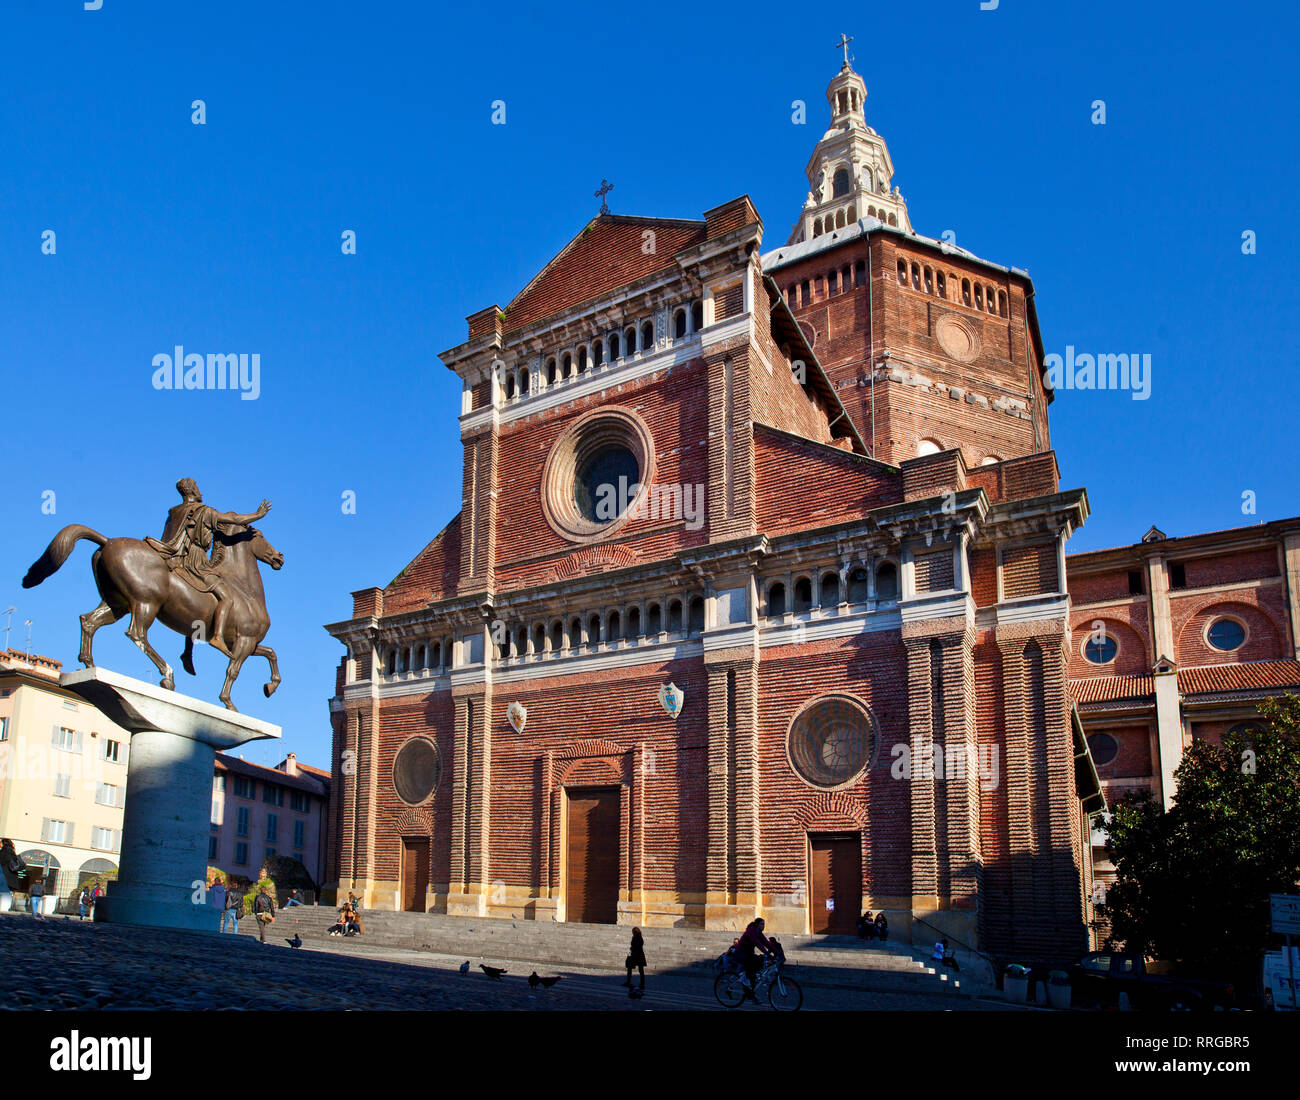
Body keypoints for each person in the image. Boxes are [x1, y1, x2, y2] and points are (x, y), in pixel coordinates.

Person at [144, 478, 271, 658]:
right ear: (192, 491)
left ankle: (188, 651)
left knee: (196, 603)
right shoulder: (203, 511)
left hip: (174, 559)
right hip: (195, 562)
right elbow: (234, 519)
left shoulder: (173, 513)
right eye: (197, 487)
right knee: (226, 598)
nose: (200, 491)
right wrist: (258, 515)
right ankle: (218, 636)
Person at [735, 917, 775, 995]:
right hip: (741, 953)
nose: (763, 926)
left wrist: (778, 952)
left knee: (758, 965)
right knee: (753, 963)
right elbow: (757, 943)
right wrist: (767, 953)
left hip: (748, 953)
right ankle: (744, 978)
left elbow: (766, 943)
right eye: (762, 924)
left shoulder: (758, 932)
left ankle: (751, 993)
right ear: (757, 924)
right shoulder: (751, 930)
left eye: (764, 924)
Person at [0, 838, 26, 907]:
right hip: (10, 880)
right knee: (6, 898)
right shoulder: (13, 853)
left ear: (3, 844)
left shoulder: (2, 853)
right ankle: (4, 911)